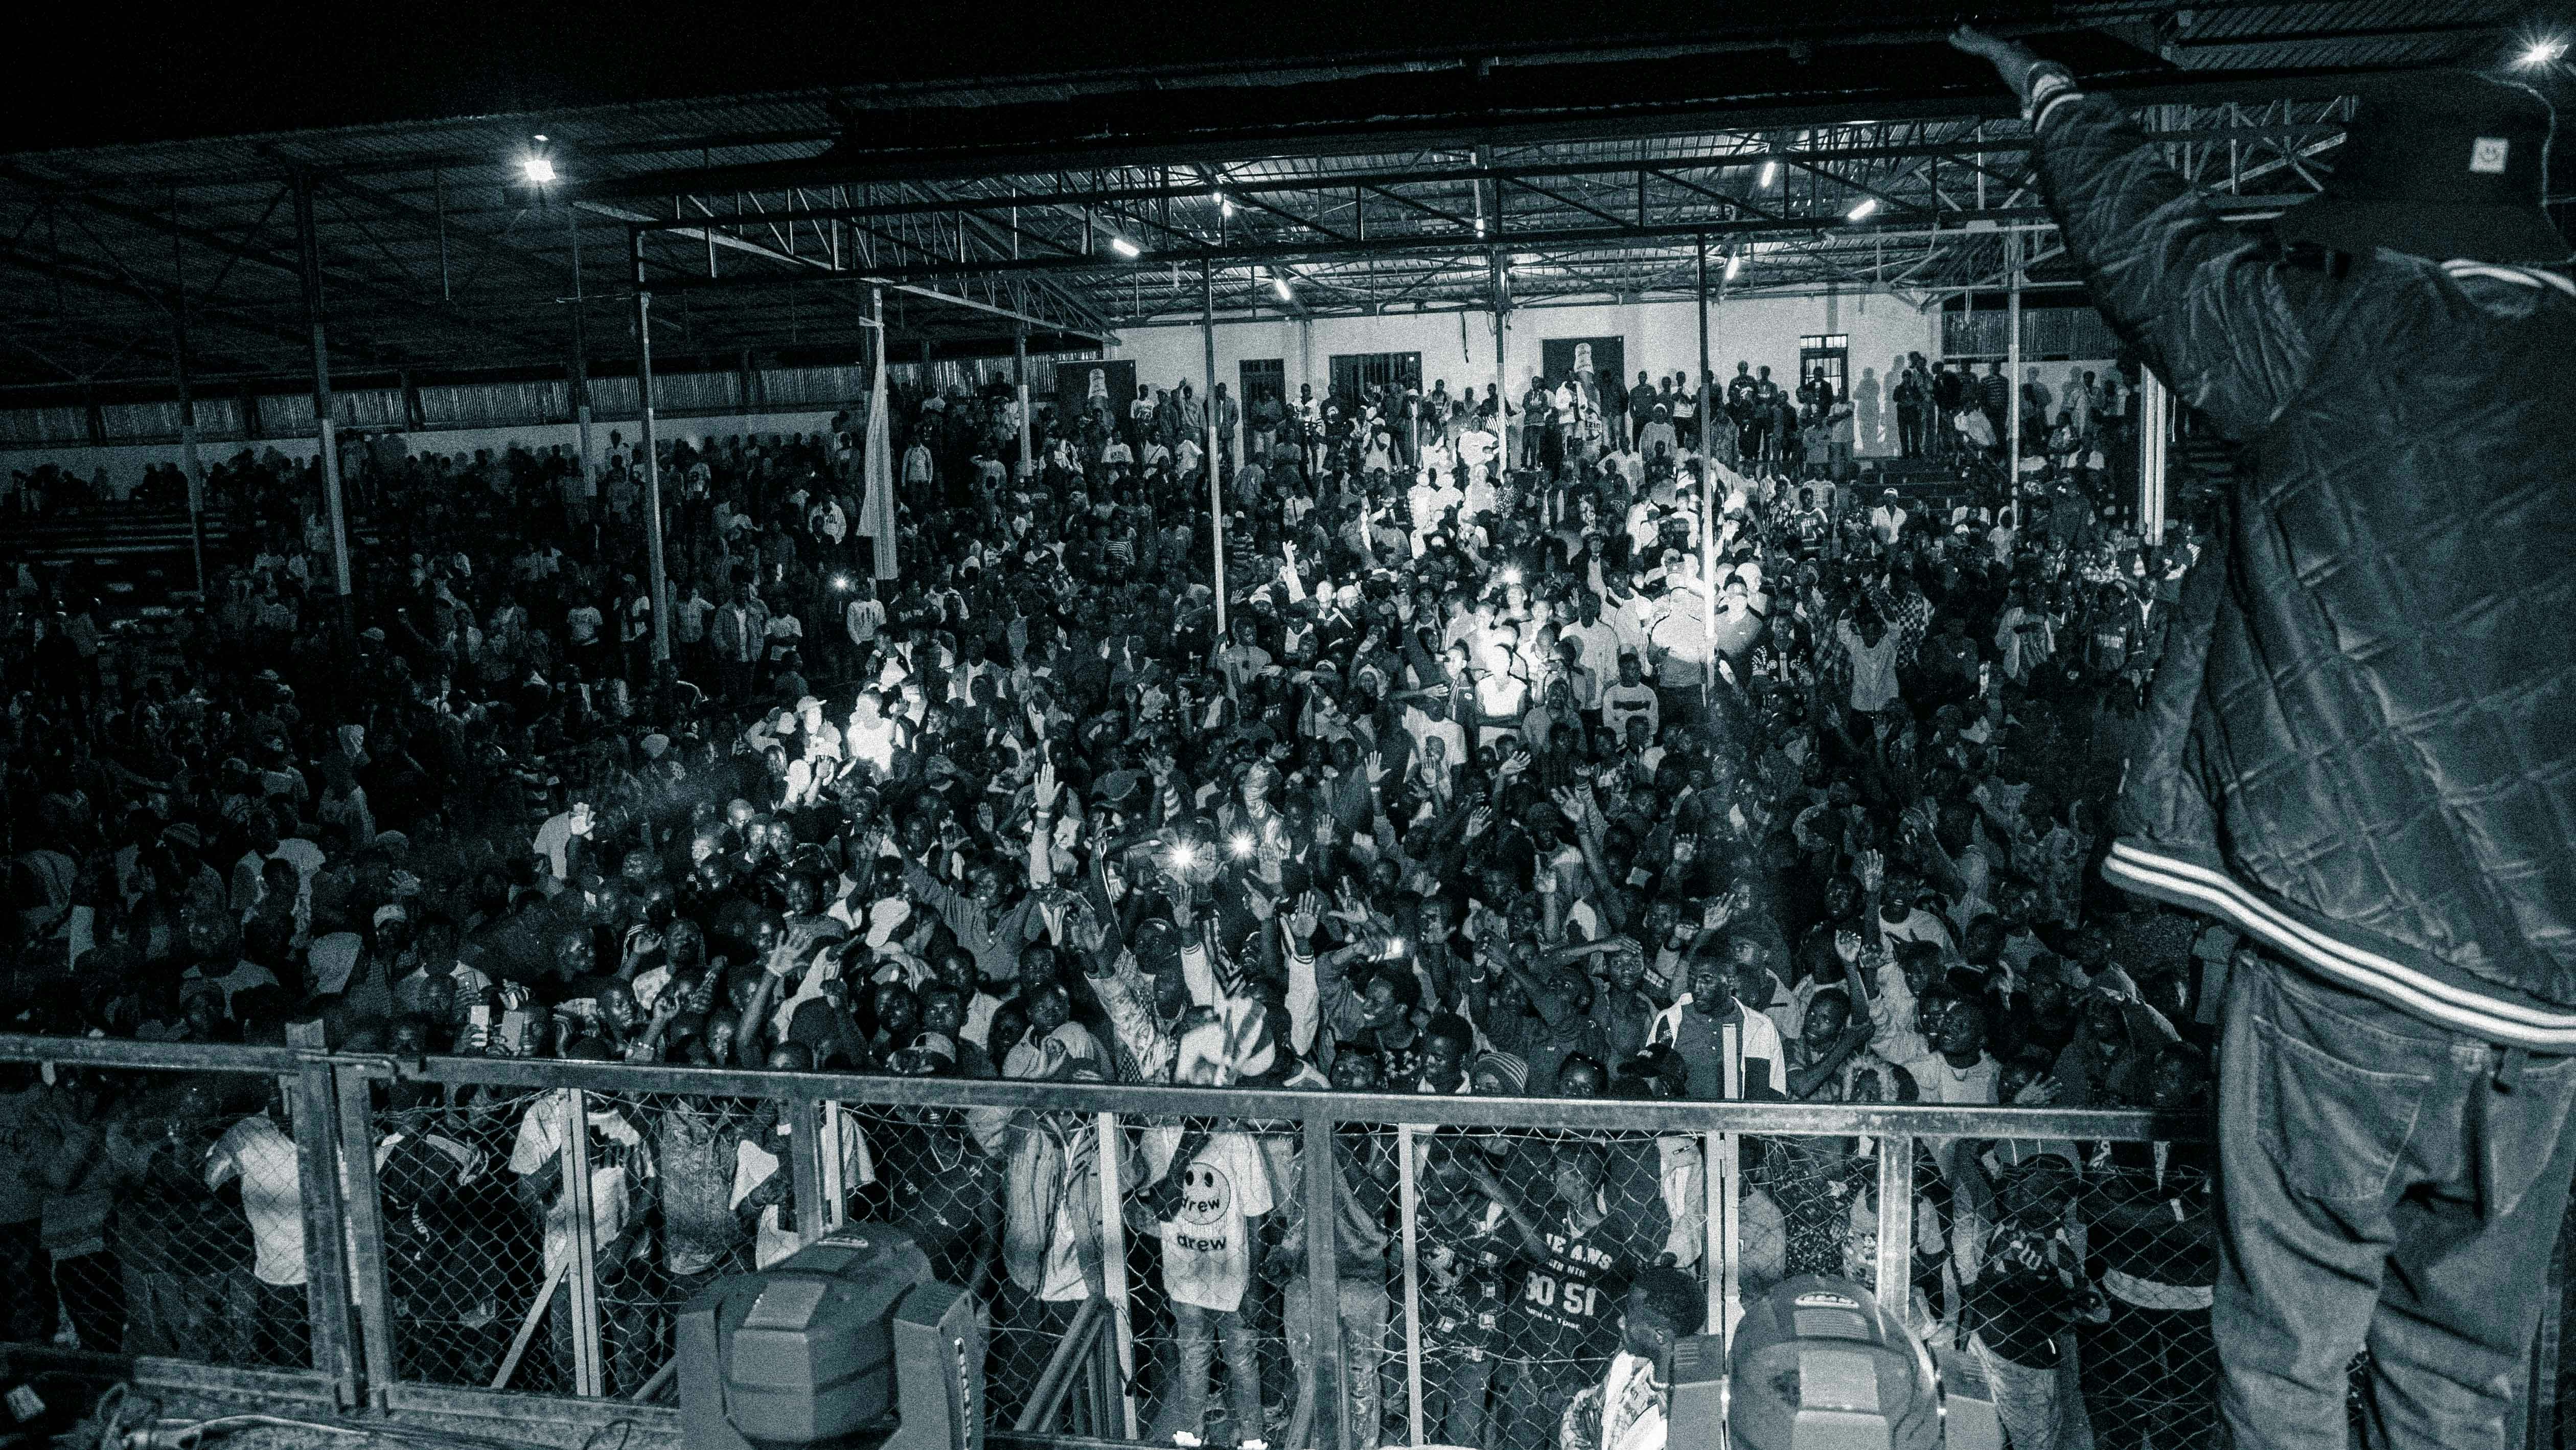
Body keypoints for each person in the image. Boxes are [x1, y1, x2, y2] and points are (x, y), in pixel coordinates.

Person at [1959, 27, 2576, 1450]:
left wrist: (2054, 95)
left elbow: (2160, 263)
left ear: (2388, 229)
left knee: (2288, 1355)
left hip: (2351, 963)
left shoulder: (2345, 338)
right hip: (2546, 1016)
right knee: (2466, 1373)